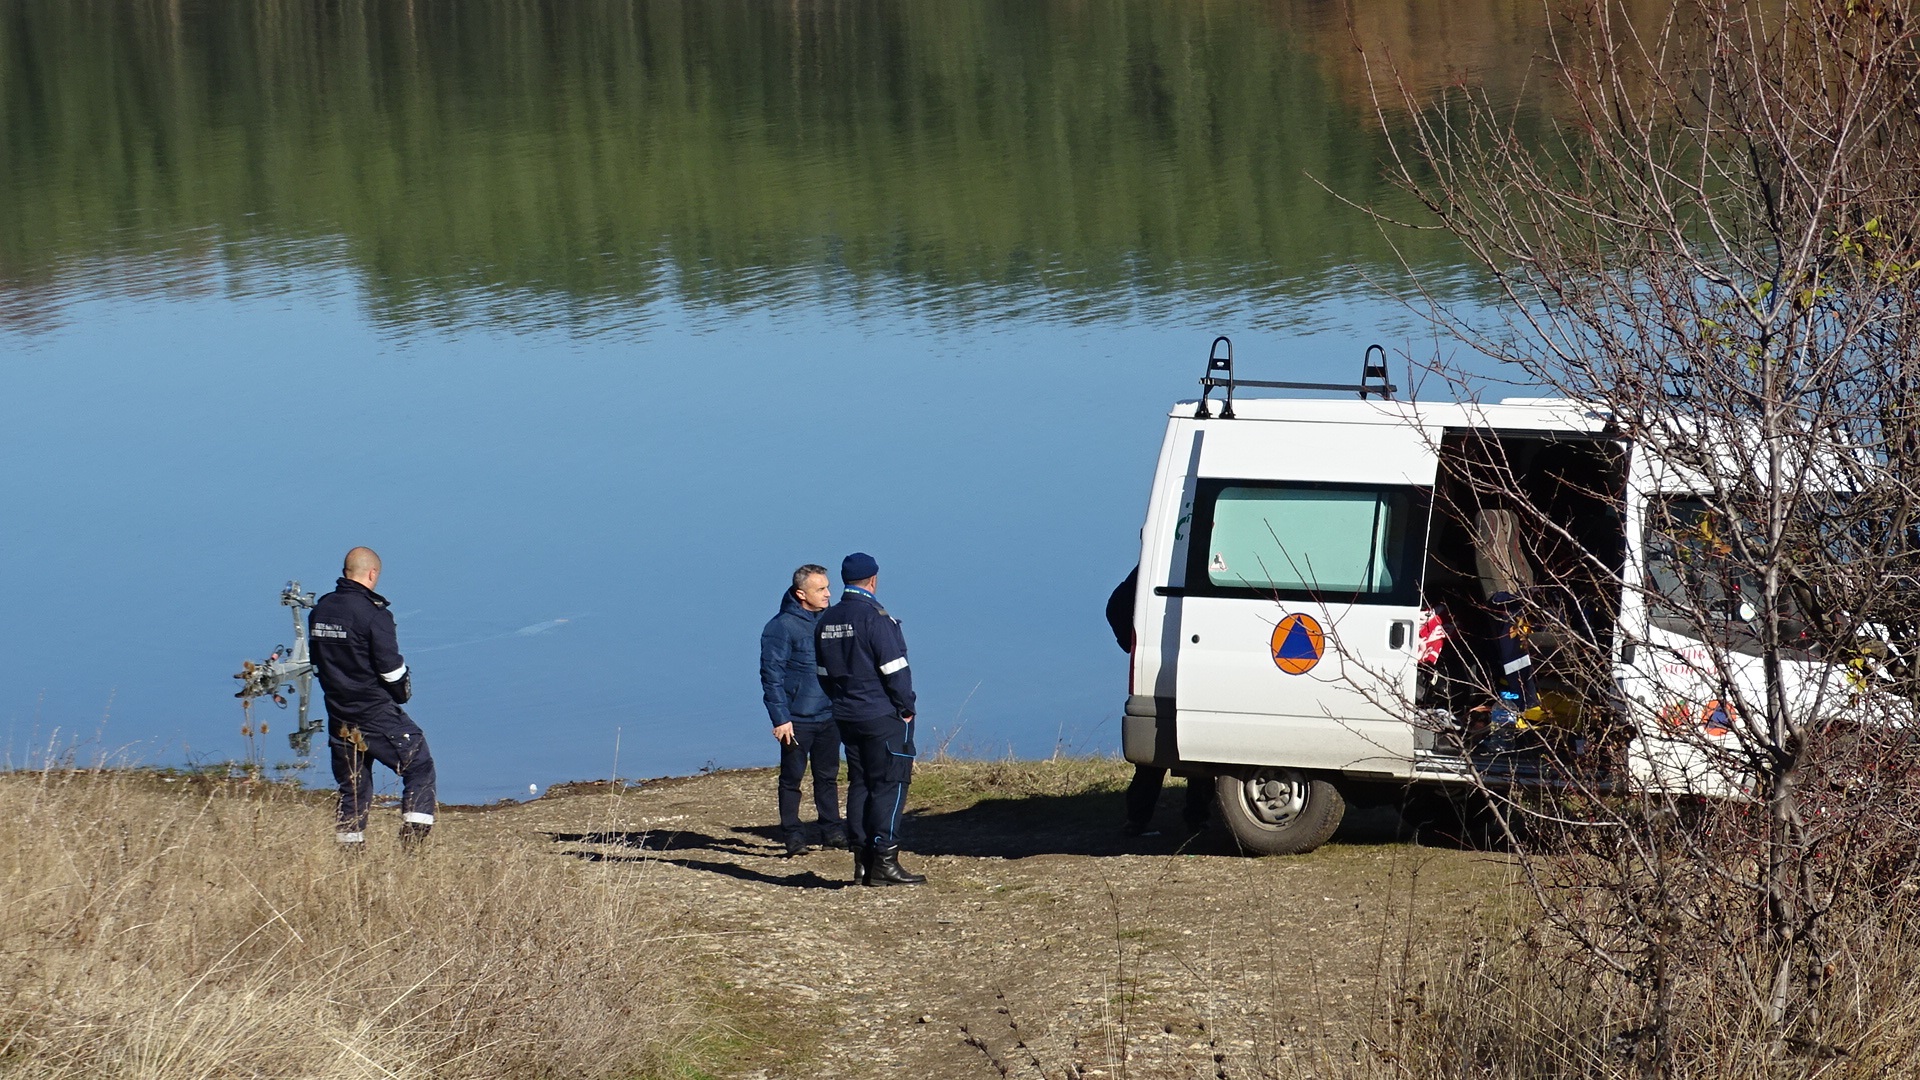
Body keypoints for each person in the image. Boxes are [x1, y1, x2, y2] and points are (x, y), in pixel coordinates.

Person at [309, 547, 437, 850]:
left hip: (338, 711)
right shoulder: (373, 614)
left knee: (353, 786)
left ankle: (350, 857)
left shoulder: (321, 610)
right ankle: (412, 846)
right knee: (419, 765)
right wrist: (402, 691)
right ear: (372, 574)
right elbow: (391, 670)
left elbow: (316, 664)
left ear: (345, 573)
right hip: (374, 711)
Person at [815, 552, 924, 886]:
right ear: (873, 580)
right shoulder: (876, 619)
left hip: (846, 715)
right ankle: (885, 861)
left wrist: (842, 701)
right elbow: (896, 671)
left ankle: (861, 861)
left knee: (860, 783)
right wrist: (906, 707)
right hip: (881, 715)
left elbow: (822, 673)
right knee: (890, 784)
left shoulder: (826, 620)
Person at [1106, 567, 1209, 837]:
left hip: (1161, 666)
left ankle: (1138, 820)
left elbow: (1116, 606)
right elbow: (1117, 606)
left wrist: (1131, 645)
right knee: (1197, 745)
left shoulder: (1158, 562)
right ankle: (1197, 822)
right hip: (1193, 664)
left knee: (1156, 748)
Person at [760, 564, 846, 856]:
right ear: (801, 594)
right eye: (820, 589)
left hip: (830, 714)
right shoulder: (781, 627)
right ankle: (793, 835)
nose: (828, 594)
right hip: (797, 719)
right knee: (792, 778)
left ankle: (832, 830)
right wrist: (781, 718)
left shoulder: (831, 619)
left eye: (827, 587)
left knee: (828, 776)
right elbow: (772, 675)